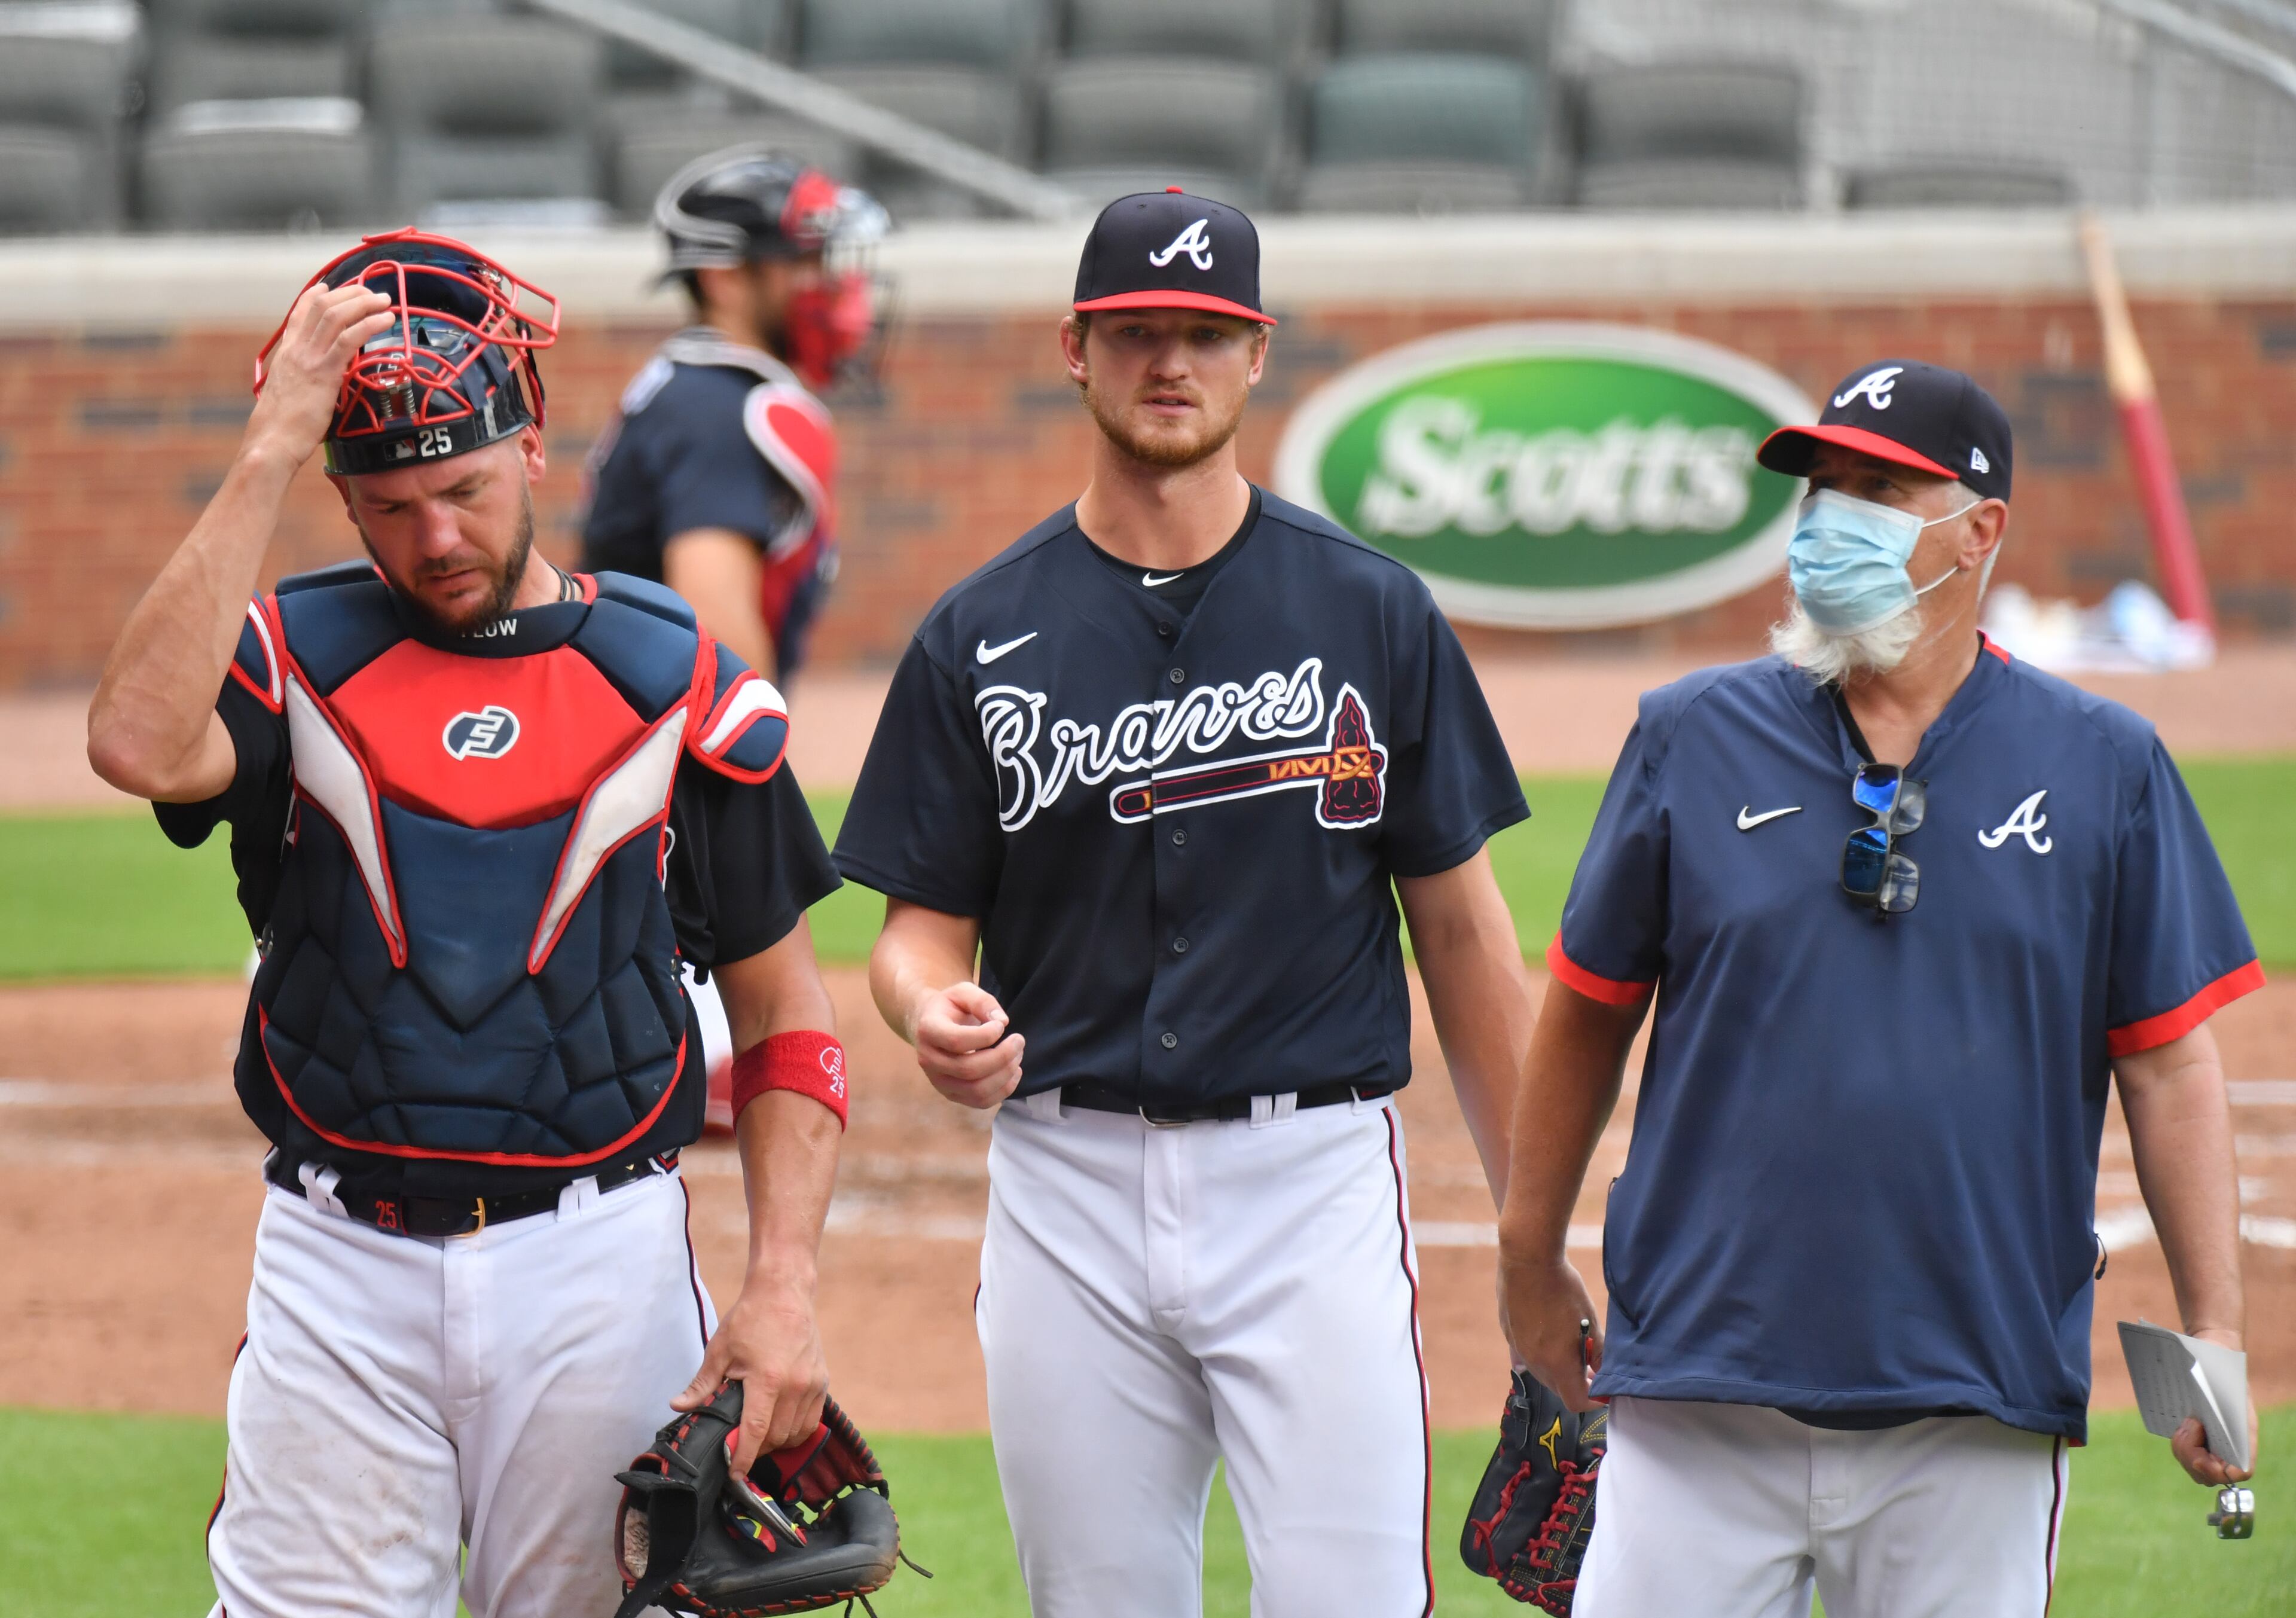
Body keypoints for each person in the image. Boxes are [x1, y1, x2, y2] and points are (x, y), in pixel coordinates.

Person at [84, 229, 853, 1618]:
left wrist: (781, 1286)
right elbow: (136, 742)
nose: (436, 537)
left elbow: (788, 1018)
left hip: (599, 1266)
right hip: (339, 1262)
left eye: (464, 488)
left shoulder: (675, 677)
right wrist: (269, 446)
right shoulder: (284, 658)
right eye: (387, 505)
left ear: (535, 448)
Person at [832, 188, 1537, 1617]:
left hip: (1310, 1185)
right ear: (1077, 350)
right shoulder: (976, 632)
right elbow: (914, 929)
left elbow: (1461, 931)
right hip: (1064, 1185)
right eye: (1138, 331)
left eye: (1206, 333)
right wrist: (926, 1006)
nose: (1173, 361)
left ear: (1256, 352)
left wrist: (1530, 1229)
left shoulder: (1370, 611)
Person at [1496, 359, 2263, 1617]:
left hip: (1971, 1401)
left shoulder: (2105, 764)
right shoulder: (1690, 736)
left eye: (1876, 489)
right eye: (1822, 489)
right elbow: (1585, 1007)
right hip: (1698, 1393)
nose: (1829, 520)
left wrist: (2212, 1347)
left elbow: (2170, 1060)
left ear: (1982, 528)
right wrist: (1530, 1259)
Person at [582, 145, 886, 686]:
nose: (829, 284)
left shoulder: (695, 389)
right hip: (670, 754)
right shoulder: (720, 410)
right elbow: (717, 642)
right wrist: (762, 765)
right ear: (724, 280)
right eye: (803, 262)